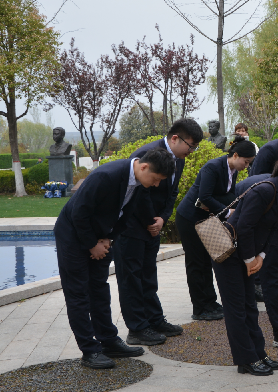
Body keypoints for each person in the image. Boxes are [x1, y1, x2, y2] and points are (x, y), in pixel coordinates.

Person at [54, 148, 175, 369]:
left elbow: (125, 214)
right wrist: (92, 244)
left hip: (101, 237)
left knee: (99, 289)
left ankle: (109, 341)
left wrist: (108, 239)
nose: (156, 185)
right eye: (156, 179)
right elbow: (78, 213)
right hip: (73, 235)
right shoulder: (106, 175)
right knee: (78, 292)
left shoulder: (139, 181)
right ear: (144, 166)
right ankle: (89, 350)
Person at [215, 156, 278, 375]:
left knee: (250, 307)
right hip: (230, 255)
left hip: (247, 254)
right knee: (238, 309)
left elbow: (271, 229)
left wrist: (261, 255)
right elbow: (244, 227)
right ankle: (246, 359)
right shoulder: (266, 190)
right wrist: (249, 259)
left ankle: (258, 353)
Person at [114, 119, 203, 346]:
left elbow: (172, 192)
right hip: (132, 226)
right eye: (190, 146)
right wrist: (149, 221)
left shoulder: (178, 159)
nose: (191, 152)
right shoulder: (147, 155)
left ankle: (154, 319)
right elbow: (139, 190)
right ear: (176, 138)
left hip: (153, 226)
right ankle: (137, 328)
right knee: (131, 279)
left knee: (148, 275)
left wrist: (163, 218)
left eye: (194, 148)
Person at [176, 136, 257, 321]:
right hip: (190, 219)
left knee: (208, 260)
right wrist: (229, 212)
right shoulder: (213, 167)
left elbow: (227, 194)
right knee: (196, 263)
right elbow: (205, 196)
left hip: (207, 218)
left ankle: (210, 302)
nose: (246, 166)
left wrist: (235, 205)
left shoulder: (233, 169)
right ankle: (200, 307)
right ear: (235, 155)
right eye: (245, 162)